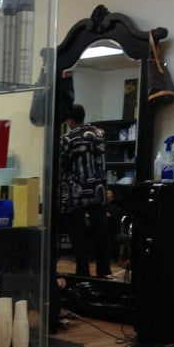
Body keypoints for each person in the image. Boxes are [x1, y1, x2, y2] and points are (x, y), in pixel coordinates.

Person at [58, 102, 112, 279]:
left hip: (76, 192)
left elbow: (61, 165)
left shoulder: (68, 138)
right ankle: (104, 271)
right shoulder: (99, 133)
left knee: (78, 234)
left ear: (69, 120)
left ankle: (83, 273)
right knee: (100, 233)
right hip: (98, 190)